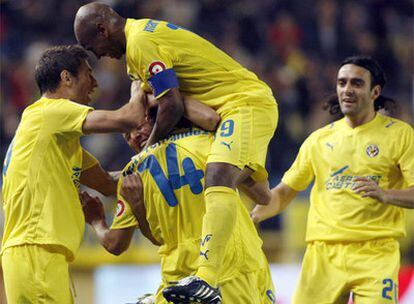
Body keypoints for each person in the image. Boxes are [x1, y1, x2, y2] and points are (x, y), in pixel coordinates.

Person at [74, 4, 278, 301]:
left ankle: (206, 277)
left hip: (229, 269)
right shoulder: (202, 143)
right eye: (128, 134)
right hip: (193, 274)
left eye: (94, 47)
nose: (99, 55)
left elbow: (177, 103)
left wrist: (146, 151)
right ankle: (202, 279)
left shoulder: (141, 43)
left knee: (219, 177)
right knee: (220, 177)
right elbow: (262, 193)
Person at [251, 56, 414, 303]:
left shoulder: (400, 135)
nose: (347, 89)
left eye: (357, 83)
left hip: (376, 253)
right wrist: (255, 215)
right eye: (342, 82)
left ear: (375, 92)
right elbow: (284, 192)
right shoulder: (319, 140)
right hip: (324, 254)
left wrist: (386, 194)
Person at [0, 44, 149, 304]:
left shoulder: (55, 138)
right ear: (66, 78)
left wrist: (158, 174)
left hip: (39, 254)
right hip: (37, 251)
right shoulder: (49, 112)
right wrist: (139, 86)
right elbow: (129, 118)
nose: (95, 83)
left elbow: (107, 184)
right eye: (88, 74)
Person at [81, 110, 276, 304]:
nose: (134, 136)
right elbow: (263, 195)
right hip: (231, 269)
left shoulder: (132, 176)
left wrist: (98, 222)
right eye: (126, 135)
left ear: (156, 120)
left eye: (138, 126)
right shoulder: (211, 143)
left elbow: (117, 243)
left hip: (182, 279)